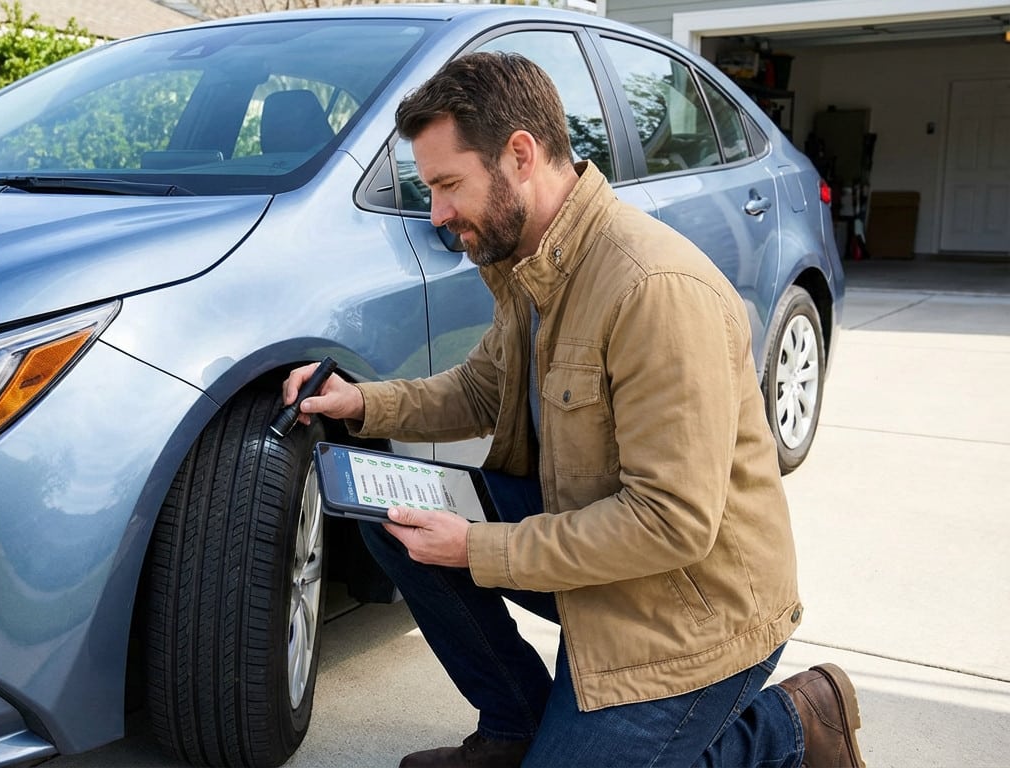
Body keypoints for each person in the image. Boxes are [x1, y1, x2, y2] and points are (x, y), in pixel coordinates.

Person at [281, 52, 864, 768]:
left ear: (519, 155)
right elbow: (480, 391)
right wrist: (360, 401)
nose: (436, 214)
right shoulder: (536, 264)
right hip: (602, 549)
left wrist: (476, 548)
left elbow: (671, 522)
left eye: (446, 185)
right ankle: (515, 726)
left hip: (691, 612)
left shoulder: (653, 288)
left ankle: (794, 727)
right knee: (391, 518)